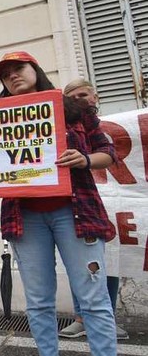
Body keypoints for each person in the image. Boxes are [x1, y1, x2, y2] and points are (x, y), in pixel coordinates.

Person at [0, 52, 132, 356]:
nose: (13, 76)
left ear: (36, 70)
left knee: (94, 300)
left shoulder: (74, 110)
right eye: (6, 74)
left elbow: (108, 151)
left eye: (19, 69)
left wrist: (84, 159)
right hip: (25, 217)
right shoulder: (0, 119)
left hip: (76, 213)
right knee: (38, 301)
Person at [58, 78, 128, 340]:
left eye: (83, 95)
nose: (80, 100)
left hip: (116, 198)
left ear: (95, 96)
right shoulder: (67, 124)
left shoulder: (106, 124)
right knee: (80, 262)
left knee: (107, 261)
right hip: (84, 199)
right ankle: (81, 317)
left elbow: (109, 152)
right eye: (73, 97)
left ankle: (105, 317)